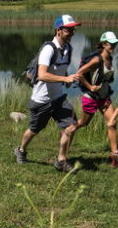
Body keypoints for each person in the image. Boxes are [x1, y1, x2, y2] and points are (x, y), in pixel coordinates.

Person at [14, 14, 82, 172]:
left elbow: (59, 70)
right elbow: (42, 74)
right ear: (58, 30)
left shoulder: (68, 49)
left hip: (58, 98)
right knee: (34, 129)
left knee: (71, 125)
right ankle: (21, 150)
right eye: (69, 30)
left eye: (74, 30)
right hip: (41, 100)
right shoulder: (48, 49)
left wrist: (69, 79)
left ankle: (61, 160)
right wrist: (64, 80)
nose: (72, 33)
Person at [71, 31, 118, 165]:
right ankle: (68, 131)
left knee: (113, 123)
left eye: (115, 43)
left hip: (104, 96)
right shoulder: (96, 59)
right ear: (104, 44)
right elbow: (79, 73)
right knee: (83, 123)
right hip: (92, 97)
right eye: (111, 43)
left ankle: (114, 155)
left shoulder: (109, 58)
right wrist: (90, 86)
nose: (114, 46)